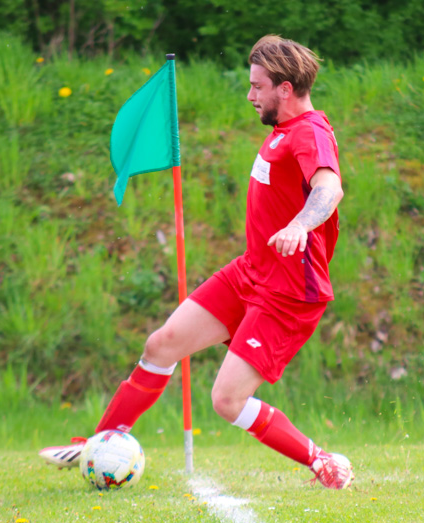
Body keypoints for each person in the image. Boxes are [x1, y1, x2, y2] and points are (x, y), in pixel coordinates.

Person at [39, 35, 353, 489]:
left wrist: (302, 225)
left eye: (257, 87)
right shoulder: (282, 132)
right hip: (251, 272)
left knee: (226, 400)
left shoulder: (310, 133)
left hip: (288, 293)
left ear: (284, 89)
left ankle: (319, 459)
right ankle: (97, 443)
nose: (250, 96)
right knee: (161, 345)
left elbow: (329, 188)